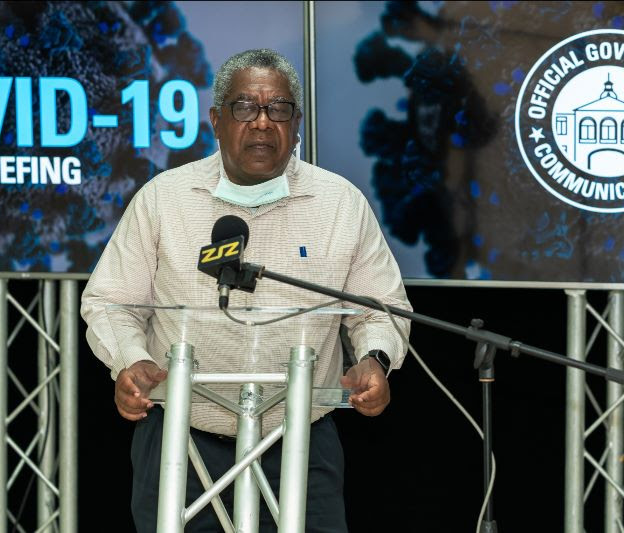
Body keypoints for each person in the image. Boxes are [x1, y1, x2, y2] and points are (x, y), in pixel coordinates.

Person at [81, 49, 411, 532]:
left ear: (296, 125)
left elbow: (380, 308)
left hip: (301, 441)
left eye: (278, 109)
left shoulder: (340, 203)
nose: (261, 122)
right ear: (216, 121)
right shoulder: (165, 198)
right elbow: (111, 301)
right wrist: (130, 360)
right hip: (181, 441)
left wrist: (374, 358)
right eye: (244, 107)